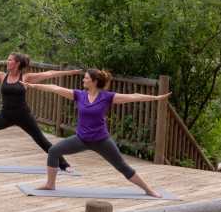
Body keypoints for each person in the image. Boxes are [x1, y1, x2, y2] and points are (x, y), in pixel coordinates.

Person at [22, 69, 170, 197]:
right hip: (81, 139)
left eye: (86, 78)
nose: (83, 80)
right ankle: (50, 184)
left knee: (122, 166)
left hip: (101, 140)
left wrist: (155, 98)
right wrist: (33, 85)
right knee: (54, 151)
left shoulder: (107, 97)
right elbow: (55, 88)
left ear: (94, 81)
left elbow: (133, 96)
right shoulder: (79, 95)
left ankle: (149, 190)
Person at [0, 54, 81, 170]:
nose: (7, 62)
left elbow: (49, 74)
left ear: (17, 63)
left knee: (41, 140)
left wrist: (70, 72)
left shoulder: (26, 77)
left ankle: (64, 164)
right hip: (5, 116)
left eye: (9, 60)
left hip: (23, 116)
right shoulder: (2, 77)